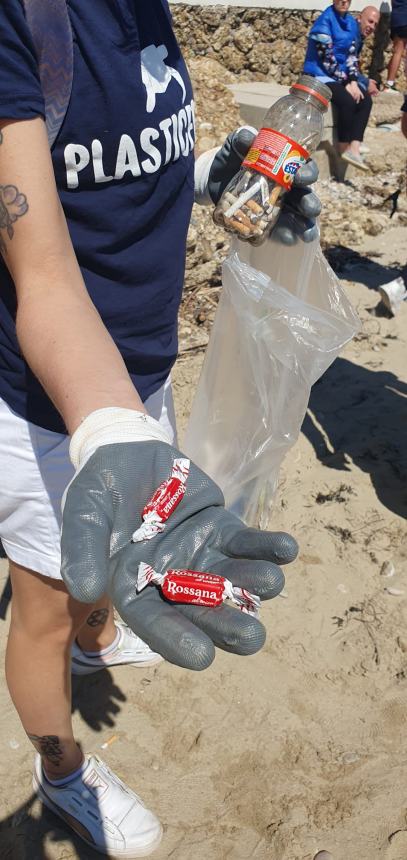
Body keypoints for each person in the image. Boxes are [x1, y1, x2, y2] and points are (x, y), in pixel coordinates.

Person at [0, 1, 322, 856]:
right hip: (48, 394)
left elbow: (110, 172)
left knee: (106, 560)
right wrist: (108, 426)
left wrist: (219, 184)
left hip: (138, 367)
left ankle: (98, 637)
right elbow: (43, 273)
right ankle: (60, 770)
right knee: (42, 607)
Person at [304, 0, 380, 171]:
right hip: (319, 74)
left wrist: (353, 81)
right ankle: (343, 147)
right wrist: (346, 82)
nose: (344, 2)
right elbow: (327, 59)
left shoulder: (351, 23)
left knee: (365, 99)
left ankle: (355, 147)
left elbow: (352, 57)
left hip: (339, 76)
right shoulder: (324, 21)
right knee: (347, 101)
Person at [384, 0, 407, 91]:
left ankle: (389, 82)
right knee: (398, 52)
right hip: (404, 18)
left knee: (397, 51)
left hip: (396, 19)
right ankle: (389, 83)